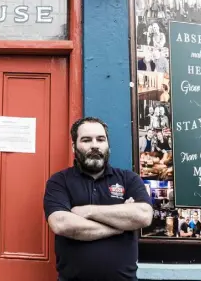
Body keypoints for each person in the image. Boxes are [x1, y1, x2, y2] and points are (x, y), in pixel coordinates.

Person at [43, 117, 153, 281]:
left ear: (108, 146)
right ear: (74, 146)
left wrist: (87, 211)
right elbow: (61, 224)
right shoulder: (59, 181)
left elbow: (143, 215)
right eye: (86, 140)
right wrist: (119, 227)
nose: (94, 145)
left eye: (100, 139)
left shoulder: (129, 179)